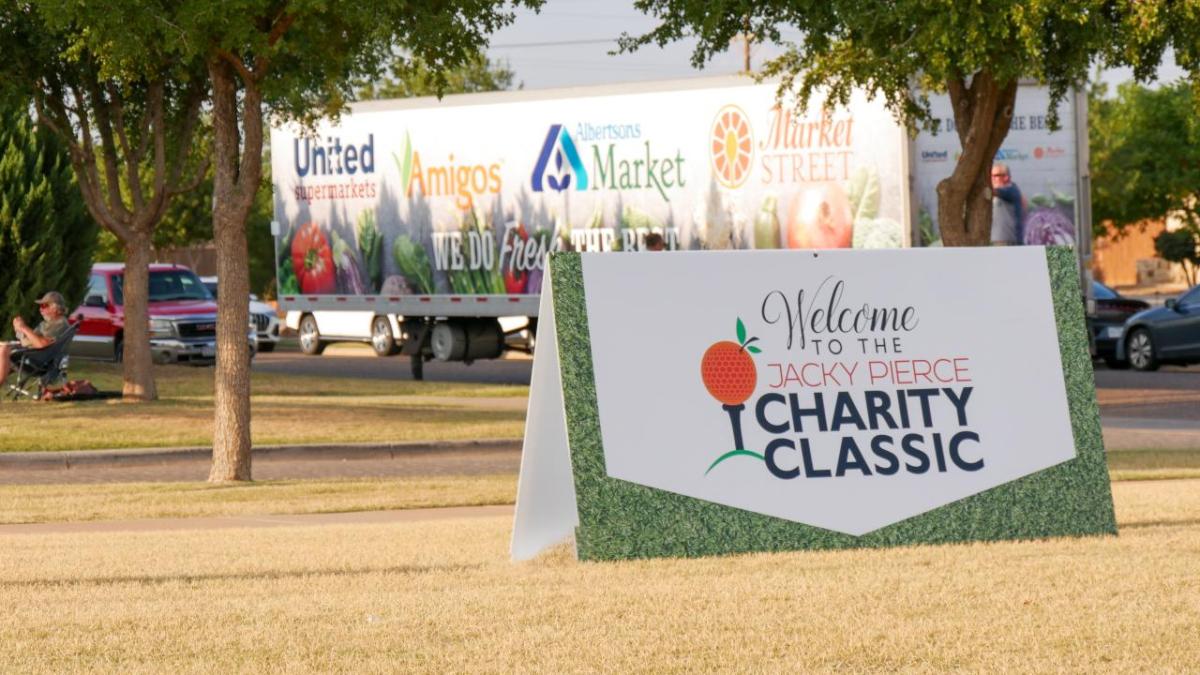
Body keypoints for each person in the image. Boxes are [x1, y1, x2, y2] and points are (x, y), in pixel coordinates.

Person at [0, 291, 71, 386]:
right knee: (4, 346)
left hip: (39, 362)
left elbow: (42, 345)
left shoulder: (60, 324)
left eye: (44, 306)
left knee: (4, 350)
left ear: (55, 308)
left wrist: (24, 327)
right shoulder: (45, 324)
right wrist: (19, 331)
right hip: (33, 356)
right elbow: (28, 340)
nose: (40, 309)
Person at [990, 163, 1026, 245]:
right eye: (991, 175)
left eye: (996, 175)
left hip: (1008, 241)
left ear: (1006, 177)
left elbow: (994, 192)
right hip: (998, 240)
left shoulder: (1011, 190)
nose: (992, 178)